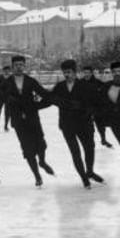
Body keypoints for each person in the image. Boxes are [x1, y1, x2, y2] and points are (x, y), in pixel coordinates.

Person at [48, 59, 104, 189]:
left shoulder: (86, 86)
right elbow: (50, 98)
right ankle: (84, 177)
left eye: (69, 72)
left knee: (89, 149)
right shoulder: (60, 86)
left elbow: (96, 103)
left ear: (75, 72)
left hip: (84, 123)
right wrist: (60, 102)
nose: (67, 75)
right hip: (67, 125)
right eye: (64, 72)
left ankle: (89, 171)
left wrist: (86, 110)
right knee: (75, 152)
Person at [2, 54, 54, 187]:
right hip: (18, 121)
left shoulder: (31, 81)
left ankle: (42, 162)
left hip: (32, 118)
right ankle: (37, 176)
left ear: (24, 66)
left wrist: (37, 106)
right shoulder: (6, 83)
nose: (19, 68)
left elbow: (45, 96)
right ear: (12, 67)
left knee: (40, 143)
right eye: (16, 65)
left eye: (21, 65)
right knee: (27, 148)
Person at [81, 65, 114, 148]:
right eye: (85, 73)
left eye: (88, 73)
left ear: (91, 73)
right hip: (85, 108)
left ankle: (103, 139)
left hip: (97, 108)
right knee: (87, 127)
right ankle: (89, 142)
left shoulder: (97, 82)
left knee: (100, 125)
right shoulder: (80, 83)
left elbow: (106, 89)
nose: (86, 74)